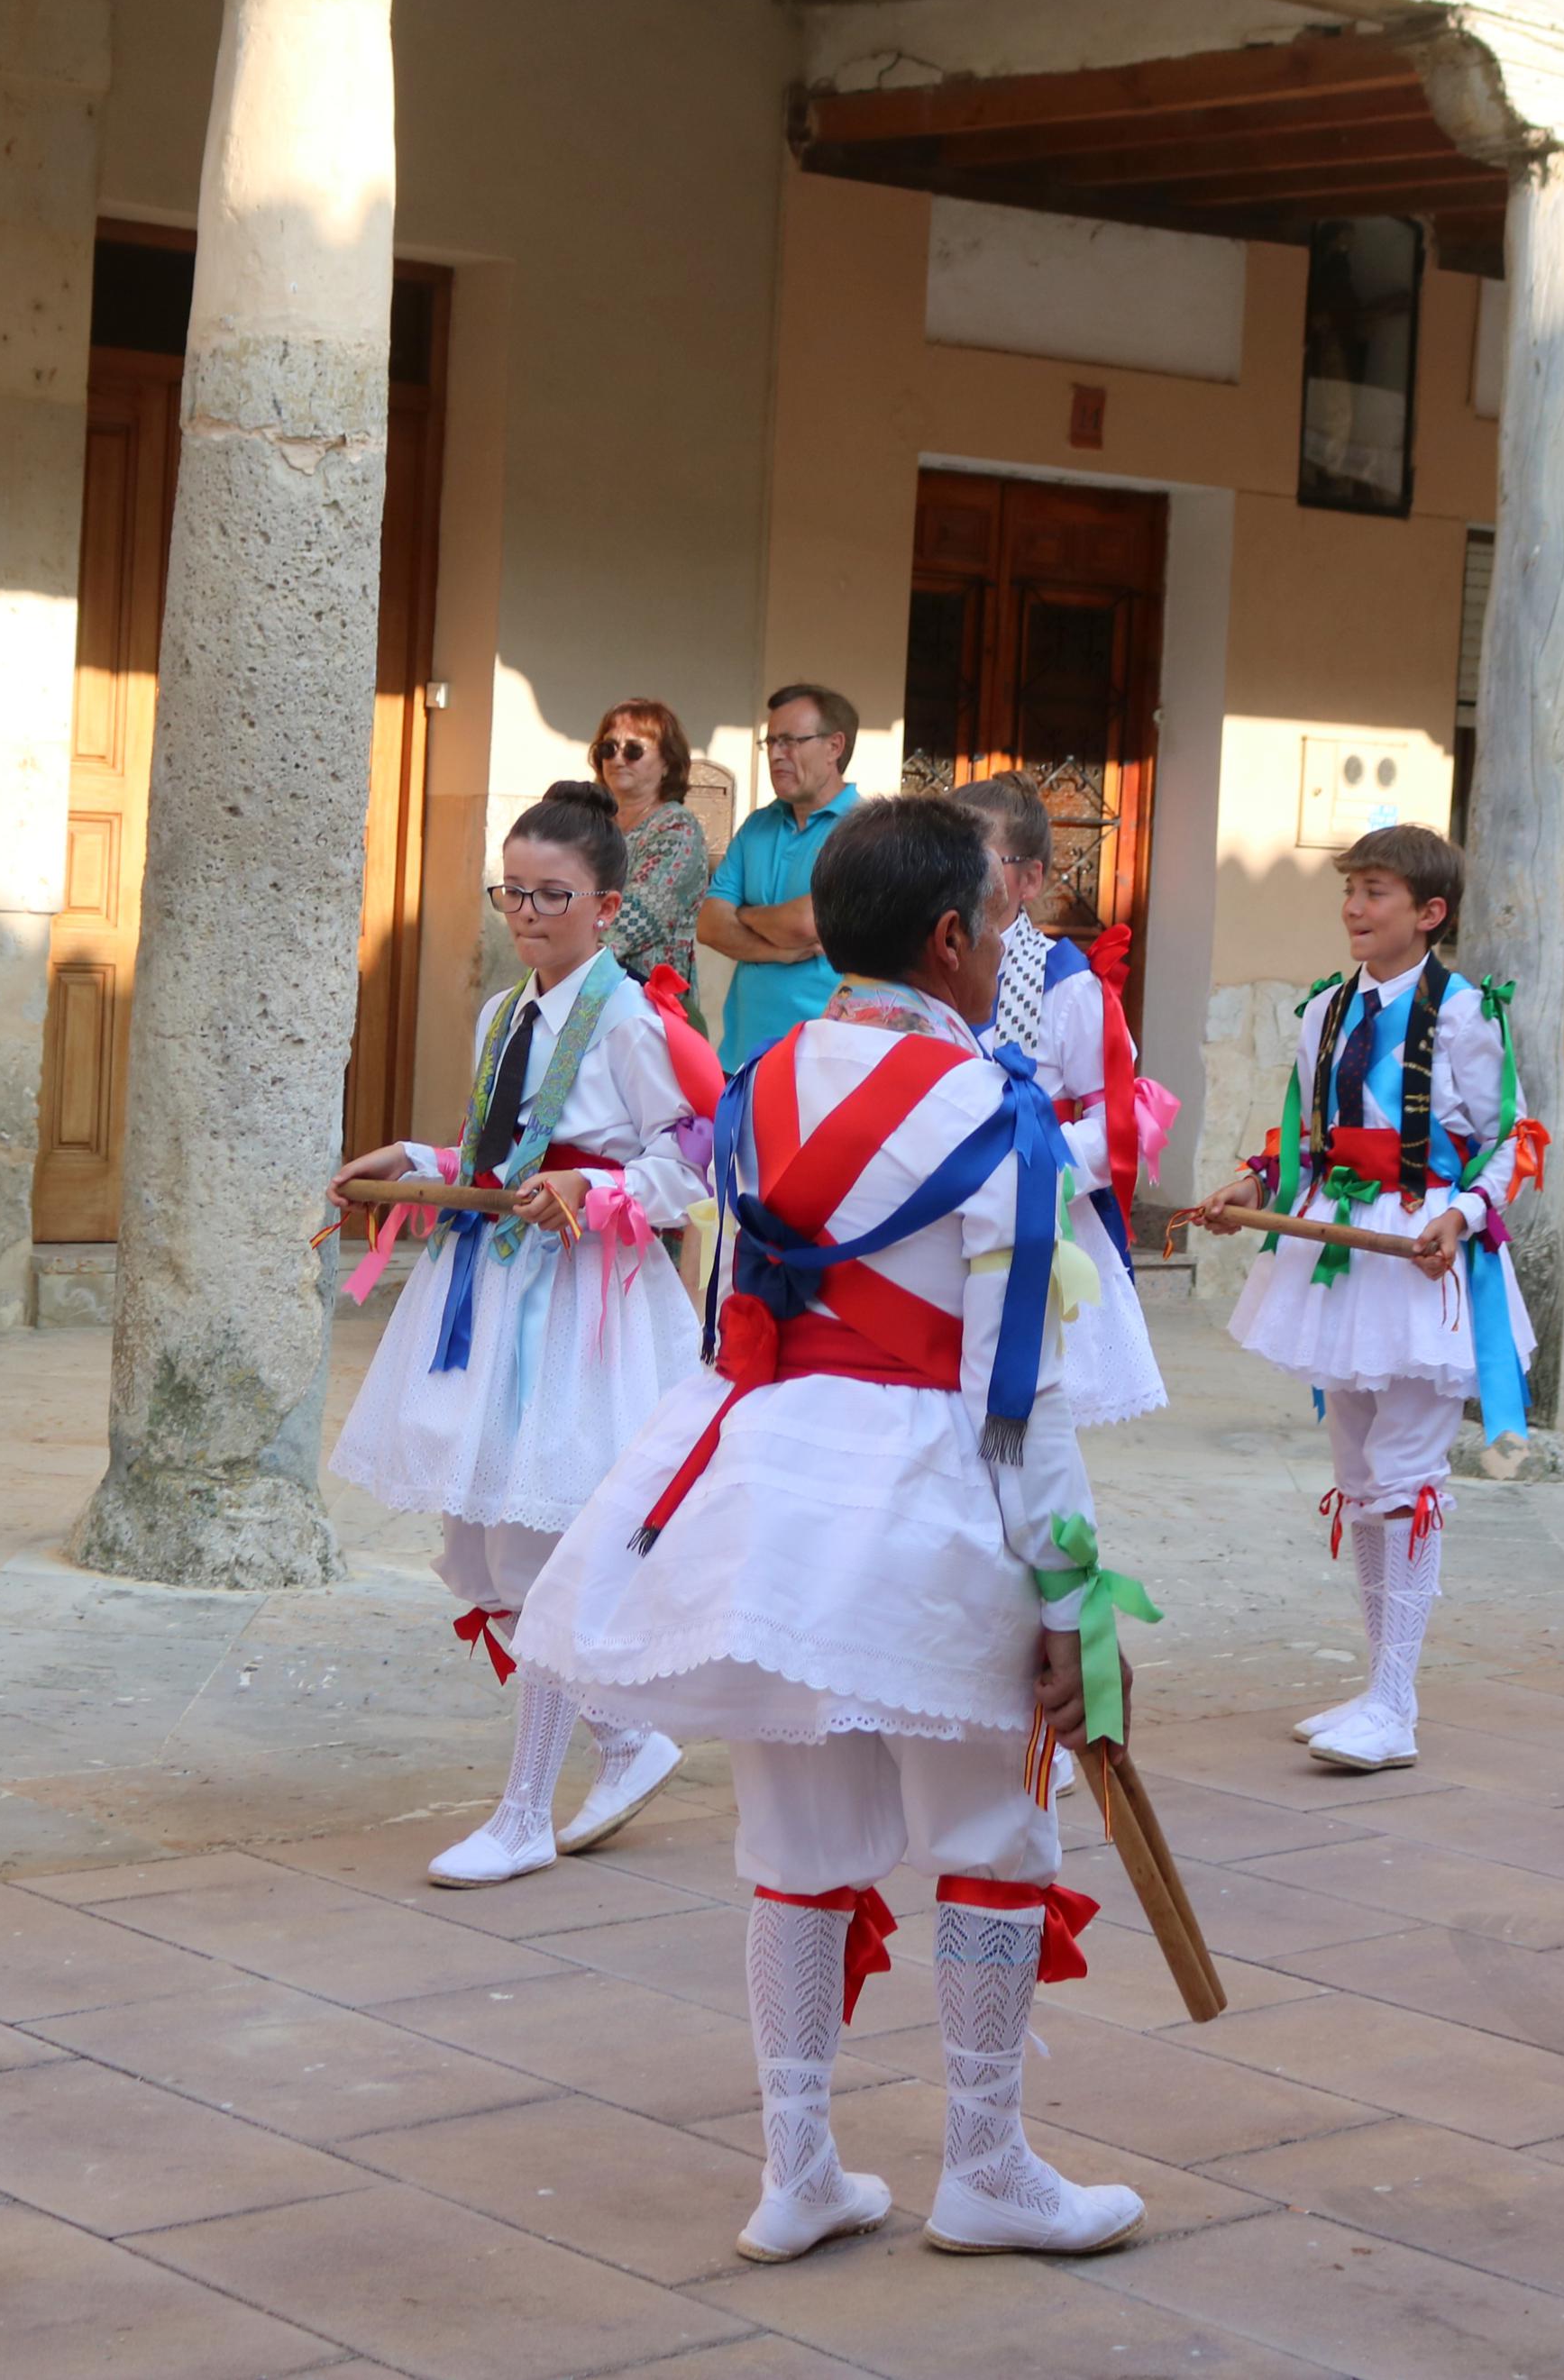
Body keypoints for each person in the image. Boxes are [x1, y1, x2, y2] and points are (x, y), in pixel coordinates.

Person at [521, 794, 1149, 2264]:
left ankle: (795, 2169)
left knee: (793, 1836)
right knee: (994, 1825)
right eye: (998, 923)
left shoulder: (761, 1081)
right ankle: (983, 2167)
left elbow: (734, 1289)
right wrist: (1071, 1600)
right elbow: (1021, 1399)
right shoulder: (998, 1116)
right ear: (948, 938)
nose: (1010, 945)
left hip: (762, 1489)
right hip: (927, 1495)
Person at [328, 780, 716, 1886]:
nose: (530, 914)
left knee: (542, 1556)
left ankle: (522, 1812)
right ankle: (628, 1739)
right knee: (475, 1549)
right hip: (492, 1295)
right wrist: (416, 1164)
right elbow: (489, 1157)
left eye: (554, 895)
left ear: (607, 904)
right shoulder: (506, 1013)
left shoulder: (638, 1020)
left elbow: (686, 1162)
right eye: (515, 892)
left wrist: (592, 1196)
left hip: (580, 1304)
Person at [1200, 823, 1540, 1773]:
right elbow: (1303, 1134)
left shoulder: (1469, 1014)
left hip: (1419, 1252)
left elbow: (1508, 1138)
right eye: (1350, 888)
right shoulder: (1323, 1012)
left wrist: (1465, 1215)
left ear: (1429, 913)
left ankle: (1396, 1704)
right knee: (1358, 1474)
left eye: (1376, 892)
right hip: (1338, 1251)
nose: (1353, 907)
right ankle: (1374, 1686)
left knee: (1403, 1473)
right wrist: (1250, 1185)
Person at [950, 776, 1173, 1430]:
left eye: (977, 860)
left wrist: (1038, 1162)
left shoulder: (1066, 984)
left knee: (1026, 1434)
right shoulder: (935, 968)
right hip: (948, 1220)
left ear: (1027, 879)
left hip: (1041, 1230)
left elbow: (1124, 1122)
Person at [697, 682, 860, 1071]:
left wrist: (746, 913)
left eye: (790, 741)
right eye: (770, 743)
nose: (776, 755)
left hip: (819, 1061)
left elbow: (808, 923)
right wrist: (780, 949)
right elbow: (708, 925)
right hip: (739, 1056)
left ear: (834, 746)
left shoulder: (865, 830)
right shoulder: (757, 825)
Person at [588, 699, 710, 1010]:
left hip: (650, 1004)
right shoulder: (591, 823)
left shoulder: (677, 827)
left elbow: (637, 916)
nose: (618, 759)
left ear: (667, 762)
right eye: (608, 749)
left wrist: (565, 953)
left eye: (633, 750)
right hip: (586, 990)